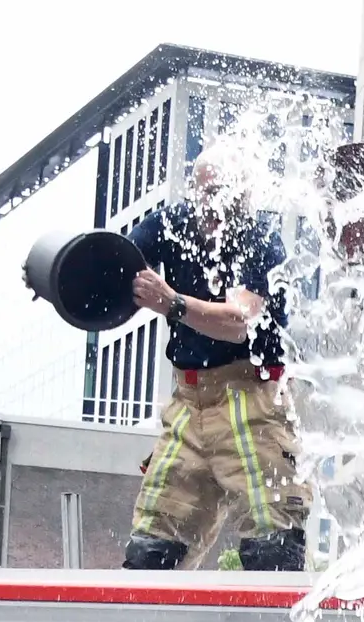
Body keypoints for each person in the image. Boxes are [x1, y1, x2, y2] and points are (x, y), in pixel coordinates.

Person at [120, 157, 307, 572]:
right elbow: (117, 262)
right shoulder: (172, 223)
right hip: (189, 402)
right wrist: (64, 271)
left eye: (222, 195)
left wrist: (172, 303)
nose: (210, 207)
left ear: (245, 198)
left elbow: (238, 322)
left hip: (253, 402)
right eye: (203, 193)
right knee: (151, 550)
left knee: (272, 547)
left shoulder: (260, 242)